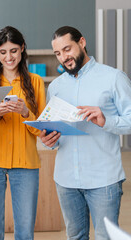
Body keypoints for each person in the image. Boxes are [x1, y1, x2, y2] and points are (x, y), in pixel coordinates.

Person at [40, 26, 131, 240]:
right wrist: (48, 140)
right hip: (66, 180)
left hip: (104, 180)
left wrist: (106, 121)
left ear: (82, 42)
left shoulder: (114, 78)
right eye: (58, 53)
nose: (64, 57)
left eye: (67, 49)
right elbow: (53, 132)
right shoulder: (55, 87)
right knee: (75, 237)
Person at [0, 26, 46, 240]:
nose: (9, 57)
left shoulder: (35, 82)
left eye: (14, 50)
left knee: (25, 230)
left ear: (22, 49)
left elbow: (41, 128)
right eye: (3, 52)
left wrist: (25, 112)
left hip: (25, 163)